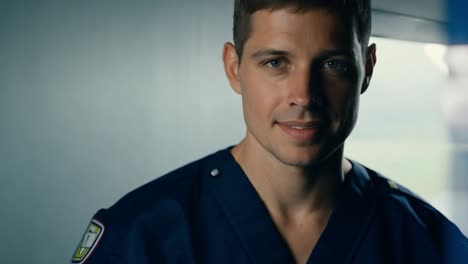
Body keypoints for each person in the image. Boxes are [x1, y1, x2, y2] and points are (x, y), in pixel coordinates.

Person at [70, 0, 468, 263]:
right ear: (233, 68)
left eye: (332, 65)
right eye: (276, 63)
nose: (304, 96)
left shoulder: (429, 243)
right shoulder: (142, 236)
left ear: (367, 68)